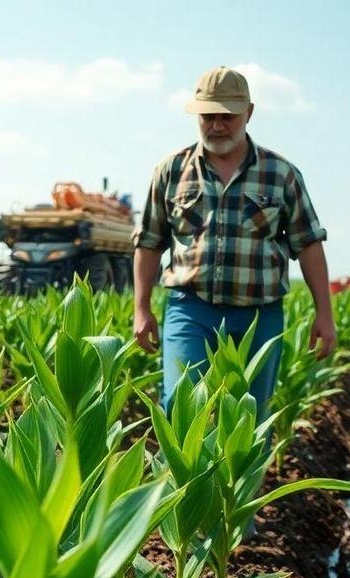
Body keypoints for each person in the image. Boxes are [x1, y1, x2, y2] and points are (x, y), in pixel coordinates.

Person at [132, 66, 336, 417]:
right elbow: (149, 242)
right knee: (181, 408)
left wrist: (325, 314)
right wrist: (141, 308)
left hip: (259, 313)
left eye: (227, 116)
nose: (217, 125)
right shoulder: (172, 170)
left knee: (249, 418)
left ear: (249, 113)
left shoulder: (280, 174)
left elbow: (308, 244)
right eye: (207, 116)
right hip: (190, 308)